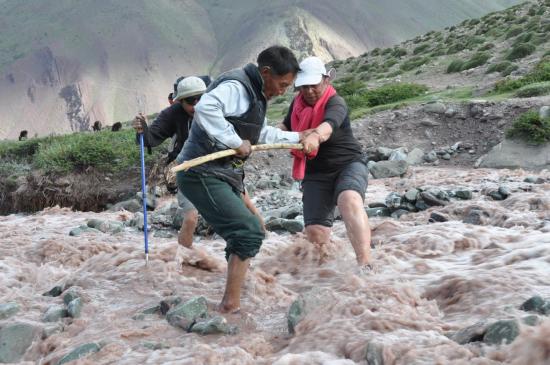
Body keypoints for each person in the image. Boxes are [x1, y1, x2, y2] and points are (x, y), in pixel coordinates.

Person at [176, 45, 308, 313]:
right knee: (248, 231)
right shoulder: (237, 87)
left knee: (250, 231)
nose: (283, 91)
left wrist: (299, 137)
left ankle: (231, 295)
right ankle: (229, 305)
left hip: (223, 174)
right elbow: (206, 108)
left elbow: (260, 133)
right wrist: (235, 141)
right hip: (200, 172)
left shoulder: (256, 94)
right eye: (282, 84)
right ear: (266, 72)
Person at [279, 56, 373, 271]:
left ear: (326, 80)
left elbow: (328, 126)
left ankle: (365, 265)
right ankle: (325, 275)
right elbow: (284, 126)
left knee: (349, 199)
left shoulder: (335, 102)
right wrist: (268, 135)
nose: (309, 91)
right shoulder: (296, 104)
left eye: (314, 85)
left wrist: (314, 136)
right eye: (304, 87)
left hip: (348, 164)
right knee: (315, 233)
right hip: (315, 172)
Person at [132, 76, 209, 248]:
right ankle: (183, 260)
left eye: (200, 98)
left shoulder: (216, 107)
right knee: (191, 217)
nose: (196, 104)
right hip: (186, 168)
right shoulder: (172, 114)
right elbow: (150, 139)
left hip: (217, 166)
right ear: (180, 100)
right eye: (190, 100)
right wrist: (142, 129)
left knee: (245, 207)